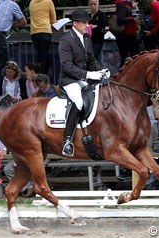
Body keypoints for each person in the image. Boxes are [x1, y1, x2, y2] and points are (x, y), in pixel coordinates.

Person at [58, 9, 109, 157]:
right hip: (68, 80)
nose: (87, 25)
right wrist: (88, 74)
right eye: (84, 23)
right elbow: (66, 66)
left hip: (81, 79)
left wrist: (101, 71)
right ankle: (67, 141)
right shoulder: (66, 40)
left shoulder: (86, 38)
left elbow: (91, 60)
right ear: (75, 23)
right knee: (79, 102)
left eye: (87, 22)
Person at [0, 0, 27, 89]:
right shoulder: (13, 5)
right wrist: (12, 24)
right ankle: (0, 84)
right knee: (5, 59)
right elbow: (23, 22)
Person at [29, 0, 56, 75]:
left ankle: (45, 73)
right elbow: (53, 20)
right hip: (45, 31)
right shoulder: (48, 2)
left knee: (42, 55)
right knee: (43, 58)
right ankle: (41, 76)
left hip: (34, 32)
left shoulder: (32, 2)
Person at [115, 0, 141, 67]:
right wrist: (133, 19)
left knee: (135, 58)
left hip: (131, 35)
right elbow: (119, 20)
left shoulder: (130, 3)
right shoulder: (121, 3)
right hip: (125, 35)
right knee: (125, 59)